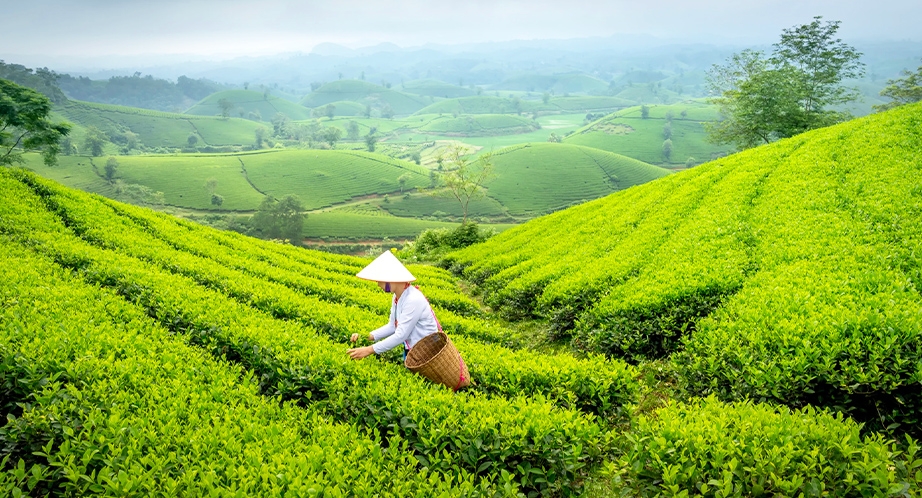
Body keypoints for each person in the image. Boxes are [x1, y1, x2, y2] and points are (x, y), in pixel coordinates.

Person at [348, 251, 441, 361]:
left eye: (379, 280)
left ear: (389, 279)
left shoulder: (413, 299)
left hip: (428, 353)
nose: (378, 285)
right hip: (413, 350)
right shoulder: (397, 296)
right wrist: (367, 336)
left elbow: (401, 335)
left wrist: (368, 350)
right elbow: (392, 326)